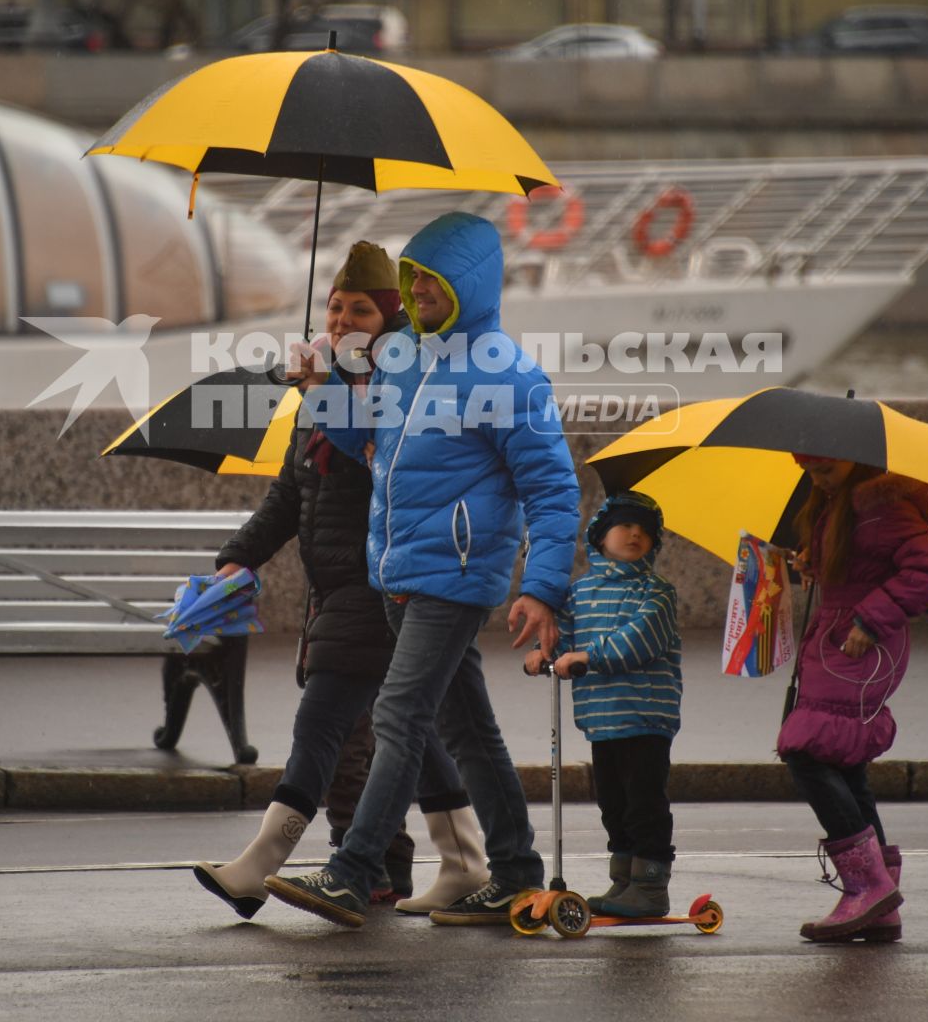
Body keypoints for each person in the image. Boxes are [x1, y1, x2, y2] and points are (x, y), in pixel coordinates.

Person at [266, 211, 581, 930]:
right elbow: (364, 438)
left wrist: (541, 587)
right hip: (396, 569)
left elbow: (554, 490)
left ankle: (352, 870)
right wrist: (318, 389)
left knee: (398, 715)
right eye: (412, 280)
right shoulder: (403, 354)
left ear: (469, 286)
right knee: (468, 730)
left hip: (456, 575)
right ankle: (514, 873)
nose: (420, 292)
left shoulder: (510, 374)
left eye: (432, 281)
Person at [191, 242, 486, 919]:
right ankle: (466, 859)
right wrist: (239, 557)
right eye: (334, 306)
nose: (342, 319)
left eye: (360, 310)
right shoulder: (320, 395)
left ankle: (258, 866)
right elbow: (290, 498)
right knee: (419, 732)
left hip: (381, 582)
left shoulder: (398, 384)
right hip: (343, 592)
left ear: (388, 320)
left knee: (321, 724)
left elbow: (385, 461)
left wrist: (323, 391)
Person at [777, 454, 928, 943]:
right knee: (844, 763)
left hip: (861, 642)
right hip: (835, 639)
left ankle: (867, 884)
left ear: (854, 462)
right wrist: (815, 563)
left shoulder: (882, 506)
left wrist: (871, 620)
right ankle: (880, 905)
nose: (817, 479)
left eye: (826, 470)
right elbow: (857, 566)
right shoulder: (834, 503)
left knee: (804, 749)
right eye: (811, 471)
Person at [524, 490, 682, 919]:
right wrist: (547, 653)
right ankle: (625, 878)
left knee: (643, 801)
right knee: (612, 802)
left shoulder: (657, 594)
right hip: (601, 718)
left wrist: (588, 657)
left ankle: (651, 885)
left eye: (645, 531)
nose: (634, 534)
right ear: (599, 538)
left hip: (646, 716)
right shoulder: (580, 592)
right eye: (624, 526)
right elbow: (565, 637)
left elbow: (639, 641)